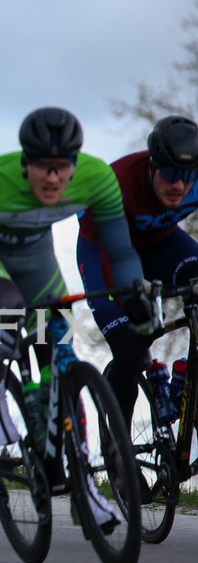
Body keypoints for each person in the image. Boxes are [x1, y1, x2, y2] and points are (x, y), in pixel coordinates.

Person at [0, 106, 150, 531]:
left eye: (62, 168)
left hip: (37, 260)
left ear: (76, 163)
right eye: (43, 167)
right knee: (8, 310)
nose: (53, 178)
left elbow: (122, 253)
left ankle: (83, 488)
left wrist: (135, 297)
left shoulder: (96, 178)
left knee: (60, 350)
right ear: (26, 163)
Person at [77, 115, 198, 434]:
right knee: (129, 346)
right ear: (152, 167)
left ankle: (187, 383)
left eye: (187, 176)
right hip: (103, 251)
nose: (178, 186)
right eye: (170, 174)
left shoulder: (189, 182)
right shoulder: (117, 184)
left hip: (161, 244)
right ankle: (120, 455)